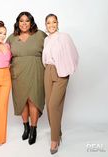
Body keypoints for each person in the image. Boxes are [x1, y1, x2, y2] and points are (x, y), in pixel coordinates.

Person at [6, 11, 47, 145]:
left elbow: (52, 48)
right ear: (18, 23)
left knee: (33, 100)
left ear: (31, 22)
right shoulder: (12, 37)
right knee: (22, 101)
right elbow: (3, 54)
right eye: (21, 21)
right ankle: (26, 127)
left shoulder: (40, 35)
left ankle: (34, 129)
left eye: (27, 21)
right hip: (17, 73)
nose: (24, 23)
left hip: (36, 71)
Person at [42, 14, 79, 154]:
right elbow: (45, 58)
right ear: (45, 25)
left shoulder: (64, 37)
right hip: (48, 71)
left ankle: (54, 140)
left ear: (58, 23)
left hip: (61, 72)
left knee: (53, 105)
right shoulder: (46, 40)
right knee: (50, 105)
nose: (51, 25)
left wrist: (67, 70)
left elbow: (74, 54)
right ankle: (57, 133)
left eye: (54, 22)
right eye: (48, 23)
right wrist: (48, 69)